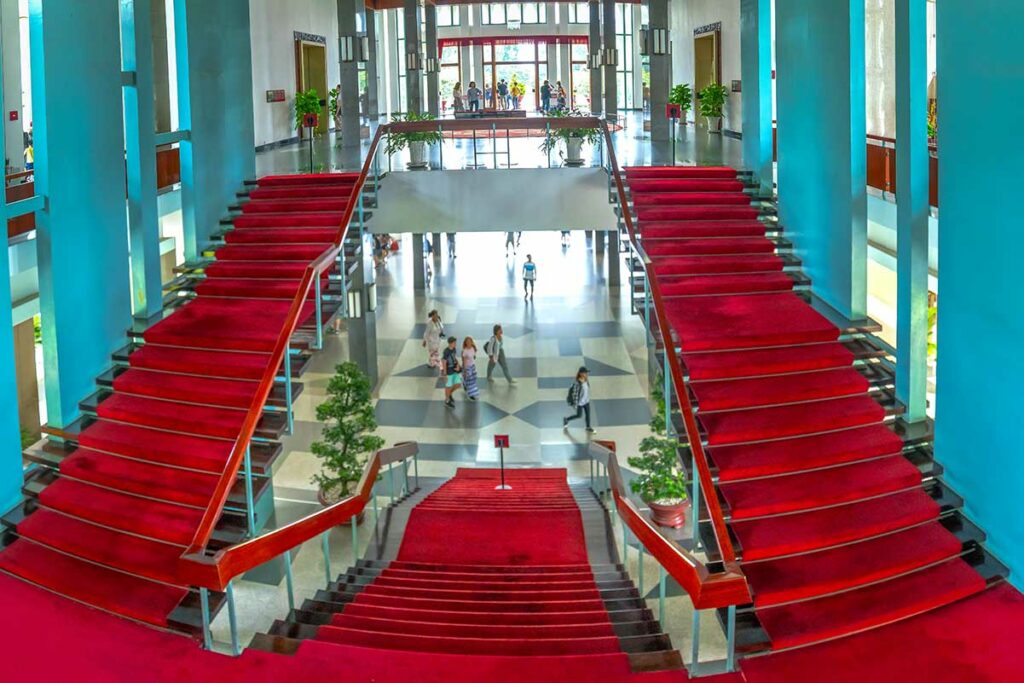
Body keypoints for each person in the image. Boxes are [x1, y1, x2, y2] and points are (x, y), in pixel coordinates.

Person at [563, 366, 594, 433]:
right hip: (580, 403)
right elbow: (572, 392)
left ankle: (588, 427)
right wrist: (572, 401)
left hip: (586, 401)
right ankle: (566, 419)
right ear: (581, 374)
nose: (586, 374)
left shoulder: (586, 380)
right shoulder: (577, 383)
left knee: (588, 415)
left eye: (586, 373)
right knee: (579, 415)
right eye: (585, 373)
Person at [441, 337, 462, 408]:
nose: (455, 344)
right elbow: (444, 361)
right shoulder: (446, 351)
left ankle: (449, 394)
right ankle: (447, 401)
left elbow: (454, 358)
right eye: (454, 343)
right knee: (448, 386)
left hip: (454, 370)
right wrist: (445, 373)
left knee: (458, 384)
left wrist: (458, 365)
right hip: (448, 372)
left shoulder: (454, 349)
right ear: (450, 343)